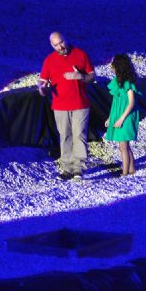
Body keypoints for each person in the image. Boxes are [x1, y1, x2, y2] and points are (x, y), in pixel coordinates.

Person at [38, 32, 95, 181]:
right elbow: (42, 83)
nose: (60, 46)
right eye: (56, 45)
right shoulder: (49, 60)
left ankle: (78, 169)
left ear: (66, 39)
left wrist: (80, 77)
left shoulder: (80, 54)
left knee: (79, 135)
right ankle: (67, 169)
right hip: (60, 105)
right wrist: (42, 89)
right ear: (52, 45)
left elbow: (92, 76)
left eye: (61, 42)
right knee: (65, 136)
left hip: (80, 104)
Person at [105, 53, 140, 176]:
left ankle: (124, 173)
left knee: (123, 147)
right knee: (125, 146)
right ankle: (131, 169)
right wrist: (110, 117)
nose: (111, 67)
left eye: (113, 65)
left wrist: (121, 119)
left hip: (126, 117)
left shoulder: (128, 83)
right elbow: (115, 103)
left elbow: (131, 103)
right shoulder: (116, 82)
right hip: (118, 116)